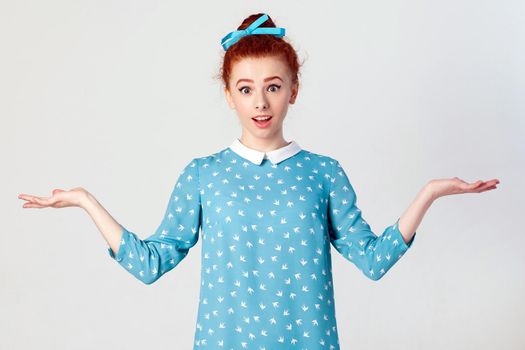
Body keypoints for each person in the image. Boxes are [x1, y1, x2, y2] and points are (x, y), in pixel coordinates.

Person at [18, 12, 500, 350]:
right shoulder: (204, 175)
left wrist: (430, 193)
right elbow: (150, 264)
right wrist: (85, 201)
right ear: (229, 96)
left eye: (273, 87)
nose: (261, 103)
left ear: (294, 88)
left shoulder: (322, 173)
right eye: (246, 89)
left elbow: (373, 262)